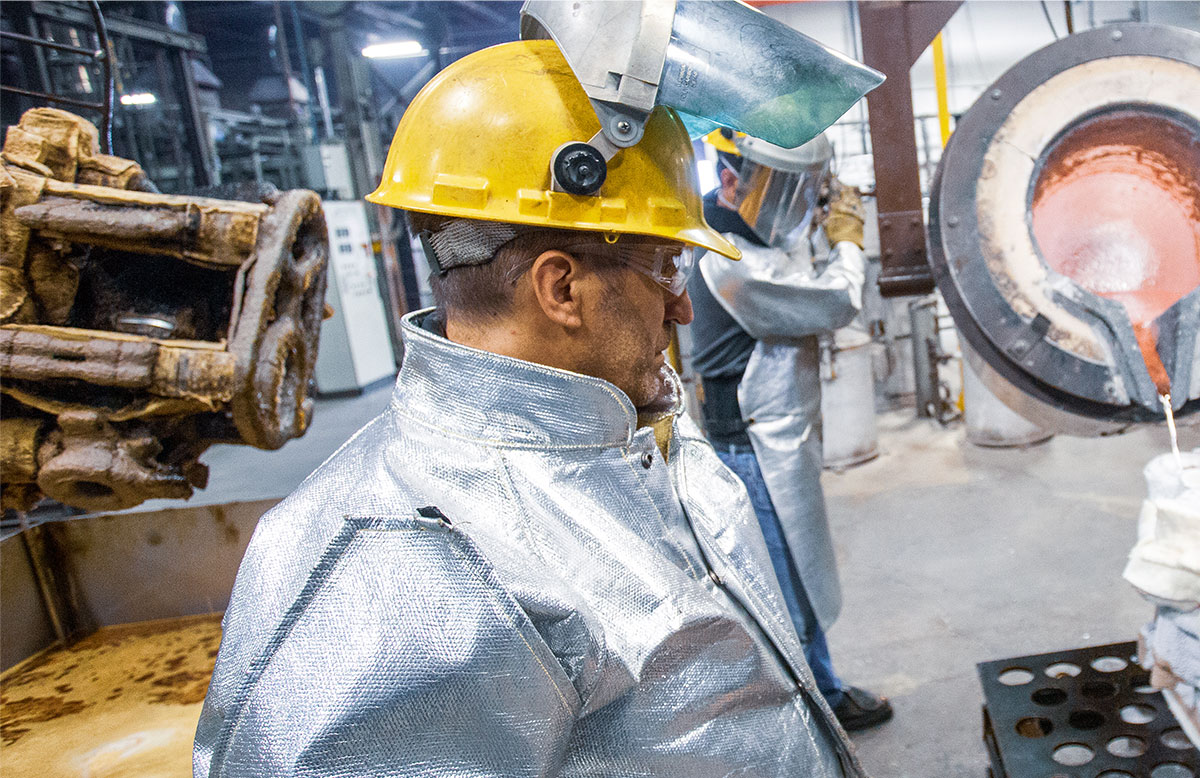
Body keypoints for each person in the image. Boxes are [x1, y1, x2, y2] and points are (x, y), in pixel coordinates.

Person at [193, 38, 873, 776]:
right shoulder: (404, 567)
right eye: (666, 268)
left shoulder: (625, 432)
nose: (681, 305)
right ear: (562, 290)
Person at [685, 129, 892, 731]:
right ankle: (809, 715)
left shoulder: (751, 233)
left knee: (796, 576)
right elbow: (833, 300)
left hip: (778, 435)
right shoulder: (725, 258)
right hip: (751, 444)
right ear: (730, 183)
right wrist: (849, 244)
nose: (798, 205)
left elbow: (792, 250)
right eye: (785, 189)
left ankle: (820, 689)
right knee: (785, 589)